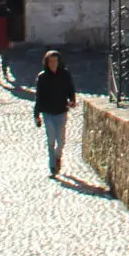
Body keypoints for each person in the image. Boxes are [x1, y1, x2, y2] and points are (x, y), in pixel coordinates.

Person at [34, 49, 78, 177]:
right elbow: (39, 97)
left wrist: (72, 100)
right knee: (51, 139)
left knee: (61, 140)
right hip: (47, 113)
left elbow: (70, 90)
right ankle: (53, 166)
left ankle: (58, 156)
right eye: (50, 61)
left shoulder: (65, 75)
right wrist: (36, 115)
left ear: (59, 62)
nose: (53, 64)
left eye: (55, 61)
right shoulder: (42, 77)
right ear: (46, 63)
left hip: (61, 112)